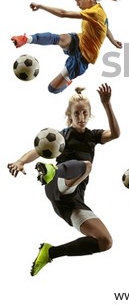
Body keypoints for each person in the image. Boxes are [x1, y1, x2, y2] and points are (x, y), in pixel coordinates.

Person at [7, 84, 120, 276]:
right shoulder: (62, 136)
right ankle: (51, 170)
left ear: (90, 114)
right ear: (70, 115)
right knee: (86, 165)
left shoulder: (93, 136)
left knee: (105, 241)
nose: (81, 118)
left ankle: (50, 252)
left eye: (85, 113)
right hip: (55, 184)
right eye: (77, 114)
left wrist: (107, 105)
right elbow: (37, 150)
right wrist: (20, 161)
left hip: (70, 201)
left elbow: (116, 134)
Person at [11, 0, 122, 93]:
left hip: (84, 57)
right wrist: (113, 41)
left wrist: (41, 6)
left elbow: (63, 14)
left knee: (52, 88)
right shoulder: (98, 8)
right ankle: (25, 39)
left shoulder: (95, 13)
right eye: (75, 0)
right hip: (79, 40)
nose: (77, 3)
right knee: (60, 38)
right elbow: (105, 27)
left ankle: (68, 81)